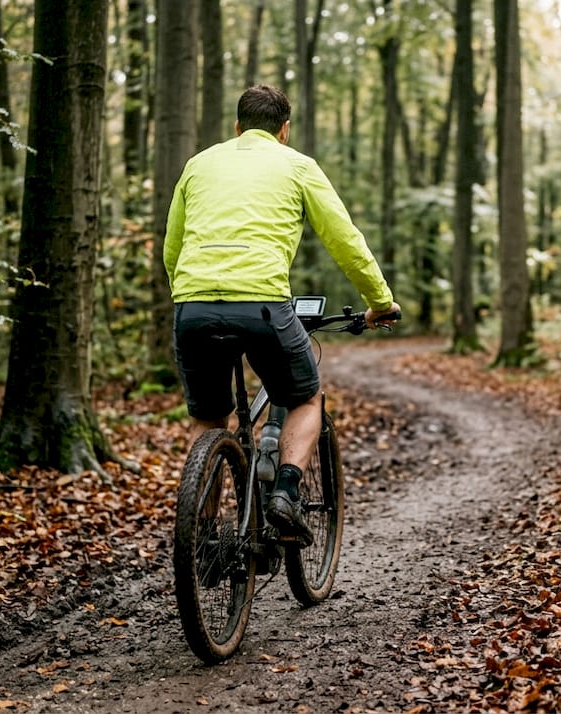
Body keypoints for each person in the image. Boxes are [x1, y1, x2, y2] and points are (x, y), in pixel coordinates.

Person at [164, 84, 400, 545]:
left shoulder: (198, 164)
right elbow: (345, 241)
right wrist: (380, 301)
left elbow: (173, 247)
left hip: (193, 306)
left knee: (209, 419)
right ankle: (286, 494)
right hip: (262, 305)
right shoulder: (297, 166)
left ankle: (203, 537)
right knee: (306, 398)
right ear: (284, 131)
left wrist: (189, 297)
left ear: (237, 127)